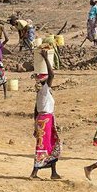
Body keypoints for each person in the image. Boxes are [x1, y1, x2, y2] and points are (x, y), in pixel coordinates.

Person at [30, 50, 62, 180]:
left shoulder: (41, 93)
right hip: (45, 121)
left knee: (51, 144)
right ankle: (34, 172)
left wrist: (35, 127)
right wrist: (46, 58)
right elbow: (52, 74)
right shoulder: (44, 90)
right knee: (43, 145)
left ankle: (53, 172)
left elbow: (35, 111)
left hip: (45, 120)